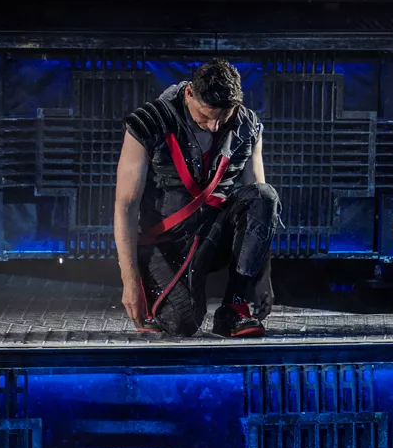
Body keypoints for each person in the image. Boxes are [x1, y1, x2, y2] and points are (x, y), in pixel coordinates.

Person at [115, 60, 278, 339]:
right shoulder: (149, 123)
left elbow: (260, 211)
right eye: (205, 116)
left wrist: (263, 278)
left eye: (223, 117)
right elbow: (125, 207)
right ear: (189, 93)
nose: (214, 127)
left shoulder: (248, 126)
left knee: (264, 195)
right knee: (182, 324)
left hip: (214, 236)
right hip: (167, 242)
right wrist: (129, 284)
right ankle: (160, 292)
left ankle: (234, 309)